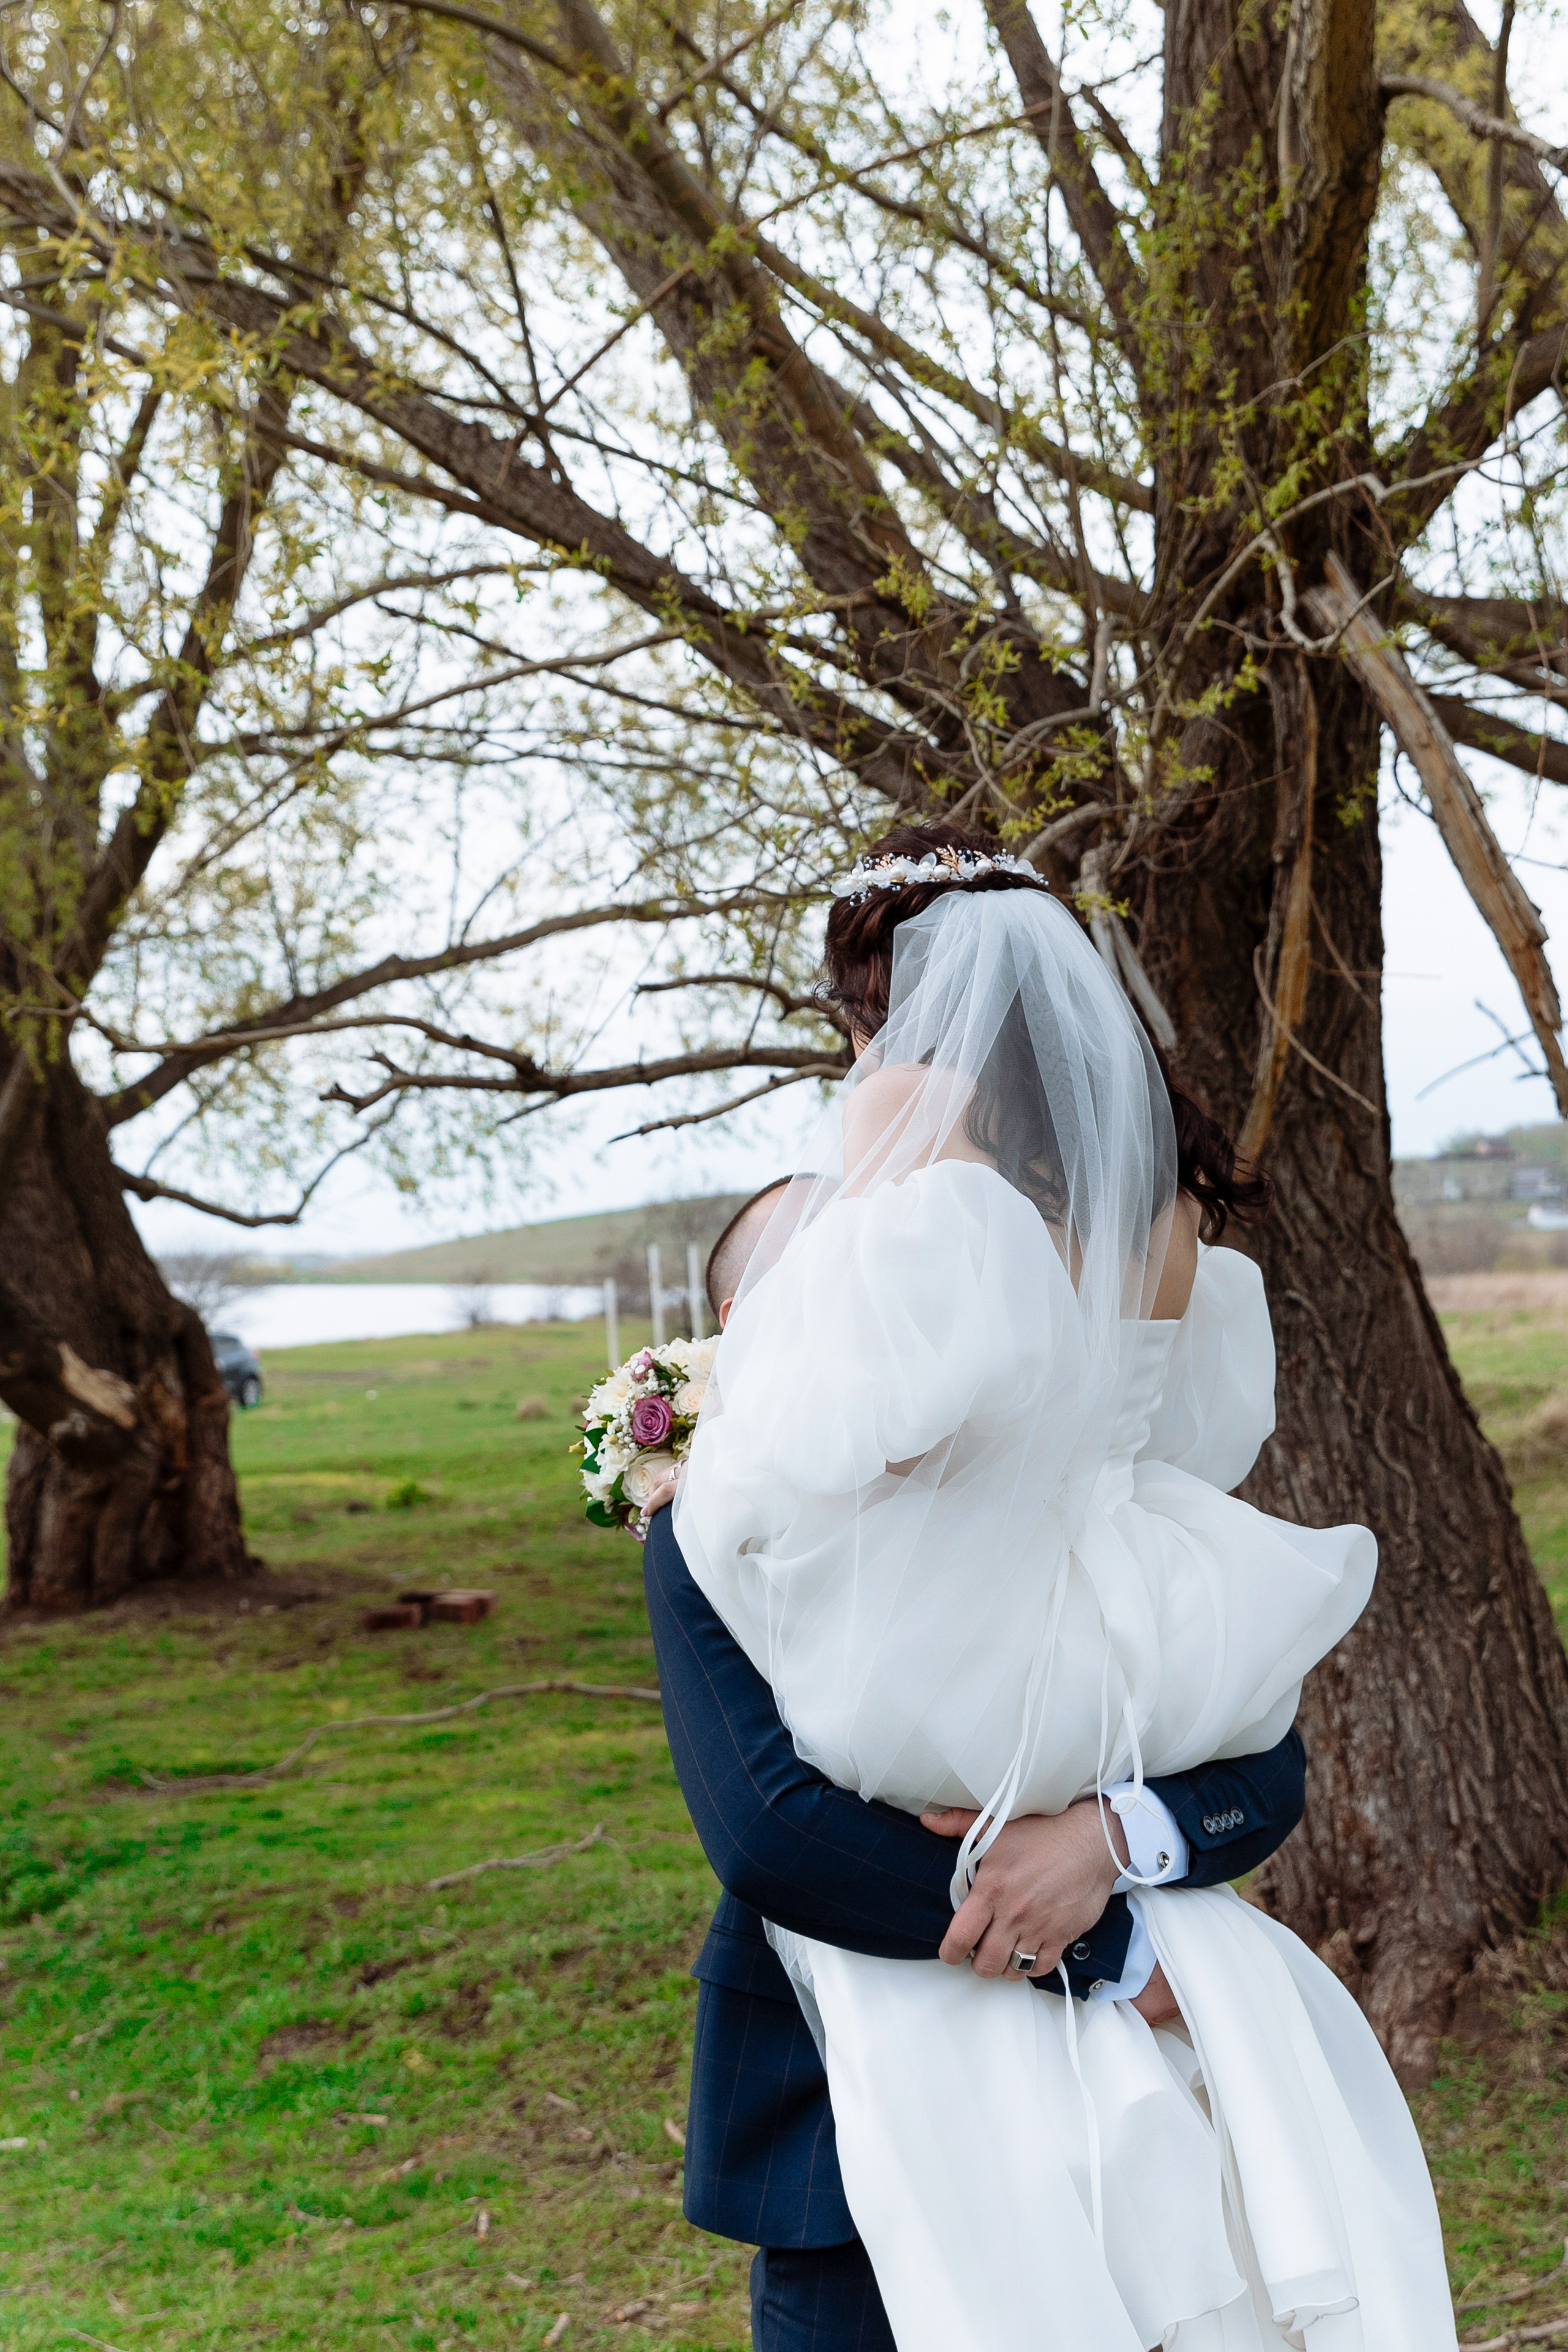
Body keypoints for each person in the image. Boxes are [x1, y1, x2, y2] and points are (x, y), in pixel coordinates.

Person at [669, 822, 1456, 2352]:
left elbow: (1248, 1784)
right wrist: (1117, 1932)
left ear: (874, 1015)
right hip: (898, 2094)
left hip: (1072, 2024)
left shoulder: (773, 1451)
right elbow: (766, 1828)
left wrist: (1107, 1845)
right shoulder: (1147, 1227)